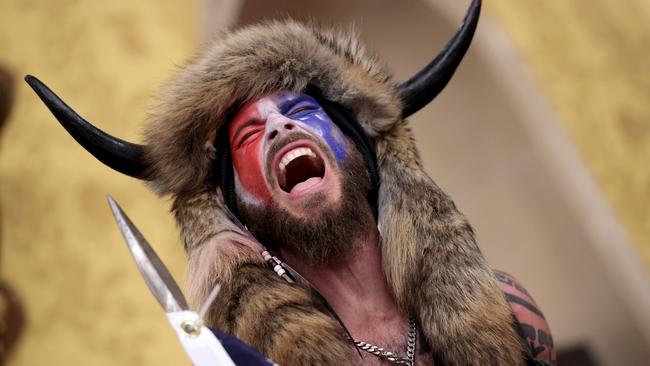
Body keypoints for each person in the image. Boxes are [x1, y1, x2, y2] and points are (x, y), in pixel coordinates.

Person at [27, 0, 555, 364]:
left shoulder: (509, 311)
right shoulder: (253, 364)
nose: (280, 126)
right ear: (237, 206)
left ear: (362, 150)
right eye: (249, 134)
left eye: (300, 110)